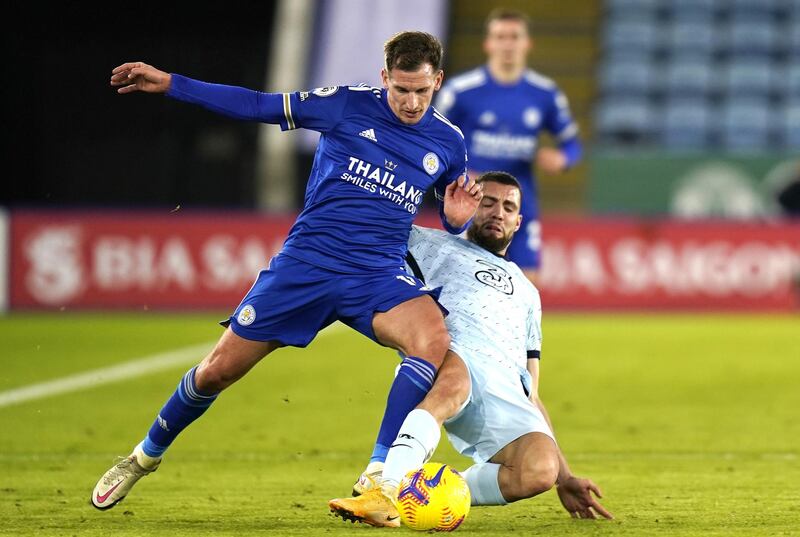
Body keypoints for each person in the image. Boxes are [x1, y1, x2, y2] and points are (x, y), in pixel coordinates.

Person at [91, 31, 483, 510]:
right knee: (215, 373)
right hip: (307, 266)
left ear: (438, 81)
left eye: (422, 91)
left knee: (432, 340)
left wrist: (456, 220)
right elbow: (259, 105)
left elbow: (450, 210)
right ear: (385, 77)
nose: (411, 101)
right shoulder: (343, 105)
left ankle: (378, 474)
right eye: (401, 89)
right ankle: (142, 458)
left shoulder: (448, 141)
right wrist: (173, 83)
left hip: (376, 272)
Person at [328, 172, 612, 527]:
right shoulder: (429, 244)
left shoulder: (528, 292)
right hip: (454, 352)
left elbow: (532, 390)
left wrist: (564, 476)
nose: (498, 212)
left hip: (504, 384)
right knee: (453, 384)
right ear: (471, 205)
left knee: (539, 469)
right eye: (488, 202)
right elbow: (374, 226)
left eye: (508, 207)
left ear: (518, 221)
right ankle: (384, 488)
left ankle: (434, 491)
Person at [435, 8, 583, 283]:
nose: (507, 44)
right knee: (469, 285)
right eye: (500, 37)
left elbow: (573, 145)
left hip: (522, 204)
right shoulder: (460, 92)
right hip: (474, 204)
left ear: (527, 43)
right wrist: (459, 175)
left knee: (527, 286)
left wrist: (562, 159)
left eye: (514, 37)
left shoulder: (544, 94)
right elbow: (433, 142)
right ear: (488, 44)